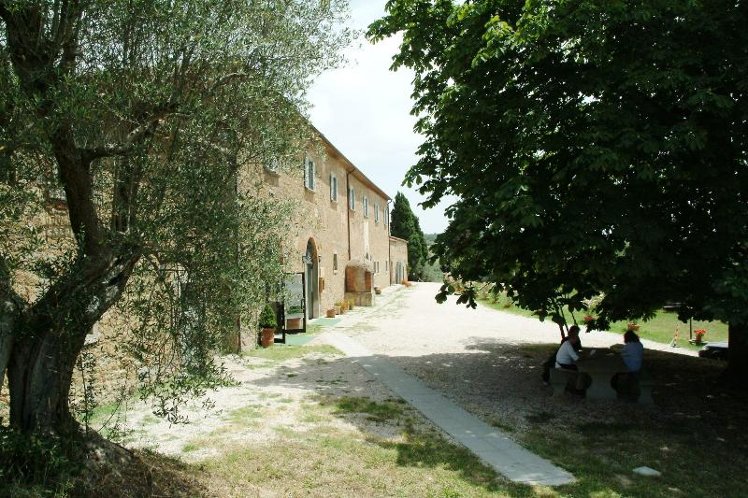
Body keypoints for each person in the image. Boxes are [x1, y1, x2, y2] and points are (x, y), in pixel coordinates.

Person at [613, 330, 644, 398]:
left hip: (631, 366)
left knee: (618, 365)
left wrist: (614, 348)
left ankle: (618, 389)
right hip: (638, 366)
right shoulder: (640, 344)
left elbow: (620, 352)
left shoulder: (629, 345)